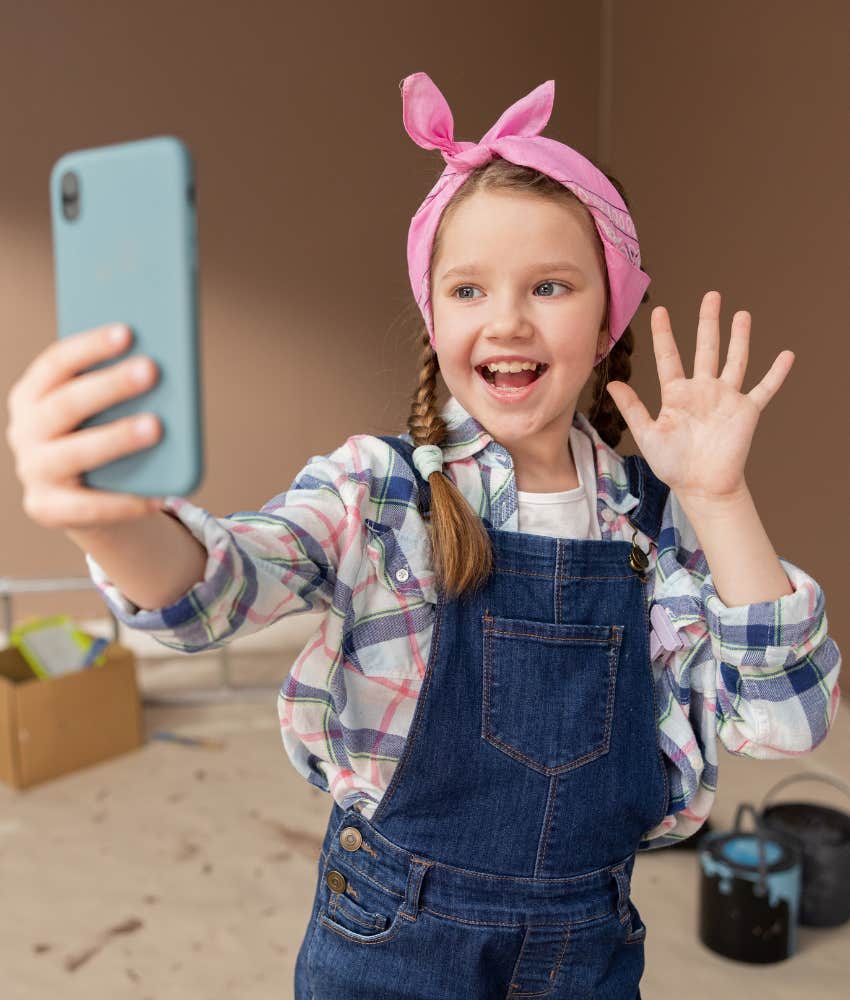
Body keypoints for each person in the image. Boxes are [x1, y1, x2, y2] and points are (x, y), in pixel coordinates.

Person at [6, 72, 841, 999]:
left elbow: (785, 723)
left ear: (610, 316)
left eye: (551, 286)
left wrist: (721, 499)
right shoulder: (378, 489)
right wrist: (115, 521)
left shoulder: (660, 517)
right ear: (434, 316)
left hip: (588, 948)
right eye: (469, 288)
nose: (508, 319)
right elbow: (215, 591)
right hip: (389, 935)